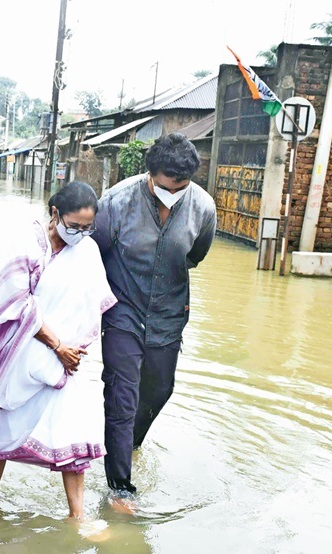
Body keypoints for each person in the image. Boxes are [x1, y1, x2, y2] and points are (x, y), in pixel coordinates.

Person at [93, 133, 216, 505]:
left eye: (180, 188)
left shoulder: (203, 208)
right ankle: (119, 488)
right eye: (165, 188)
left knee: (160, 389)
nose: (172, 196)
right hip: (122, 310)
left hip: (168, 311)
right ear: (151, 175)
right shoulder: (115, 203)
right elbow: (92, 257)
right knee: (122, 395)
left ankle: (129, 444)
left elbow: (195, 255)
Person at [0, 182, 115, 519]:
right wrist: (56, 345)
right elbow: (14, 302)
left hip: (66, 362)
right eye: (74, 226)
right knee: (2, 428)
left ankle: (77, 516)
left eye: (88, 228)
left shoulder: (87, 250)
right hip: (20, 354)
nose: (81, 234)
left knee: (73, 431)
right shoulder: (26, 243)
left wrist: (70, 349)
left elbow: (91, 304)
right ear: (55, 213)